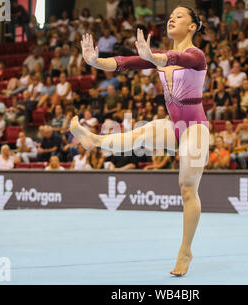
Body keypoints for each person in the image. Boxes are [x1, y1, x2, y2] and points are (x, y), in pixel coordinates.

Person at [72, 6, 210, 276]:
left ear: (192, 27)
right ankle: (94, 140)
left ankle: (185, 250)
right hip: (175, 126)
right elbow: (127, 62)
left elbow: (179, 58)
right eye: (170, 15)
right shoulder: (157, 57)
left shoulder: (196, 55)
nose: (172, 18)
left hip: (195, 128)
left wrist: (156, 57)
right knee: (141, 133)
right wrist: (95, 62)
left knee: (187, 187)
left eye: (179, 16)